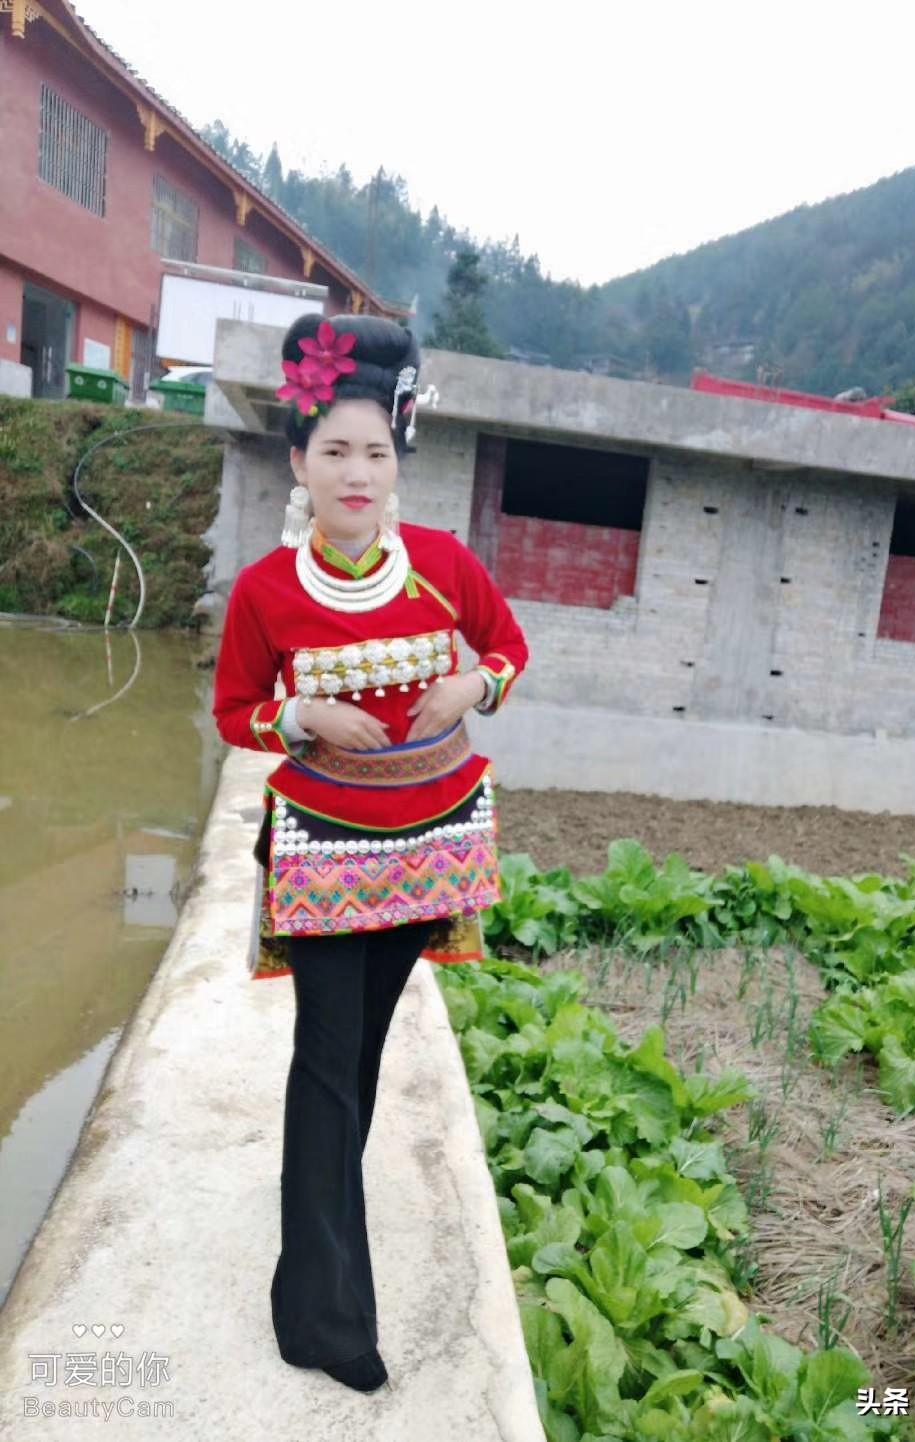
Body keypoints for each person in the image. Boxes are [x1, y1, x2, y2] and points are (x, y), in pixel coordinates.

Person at [211, 313, 529, 1396]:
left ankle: (321, 1215)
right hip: (323, 850)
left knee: (354, 1060)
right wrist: (301, 716)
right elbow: (234, 712)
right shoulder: (267, 591)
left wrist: (470, 683)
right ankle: (322, 1316)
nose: (357, 472)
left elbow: (508, 646)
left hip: (426, 850)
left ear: (398, 462)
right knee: (324, 1060)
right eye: (335, 450)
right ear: (298, 461)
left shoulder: (441, 566)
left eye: (377, 452)